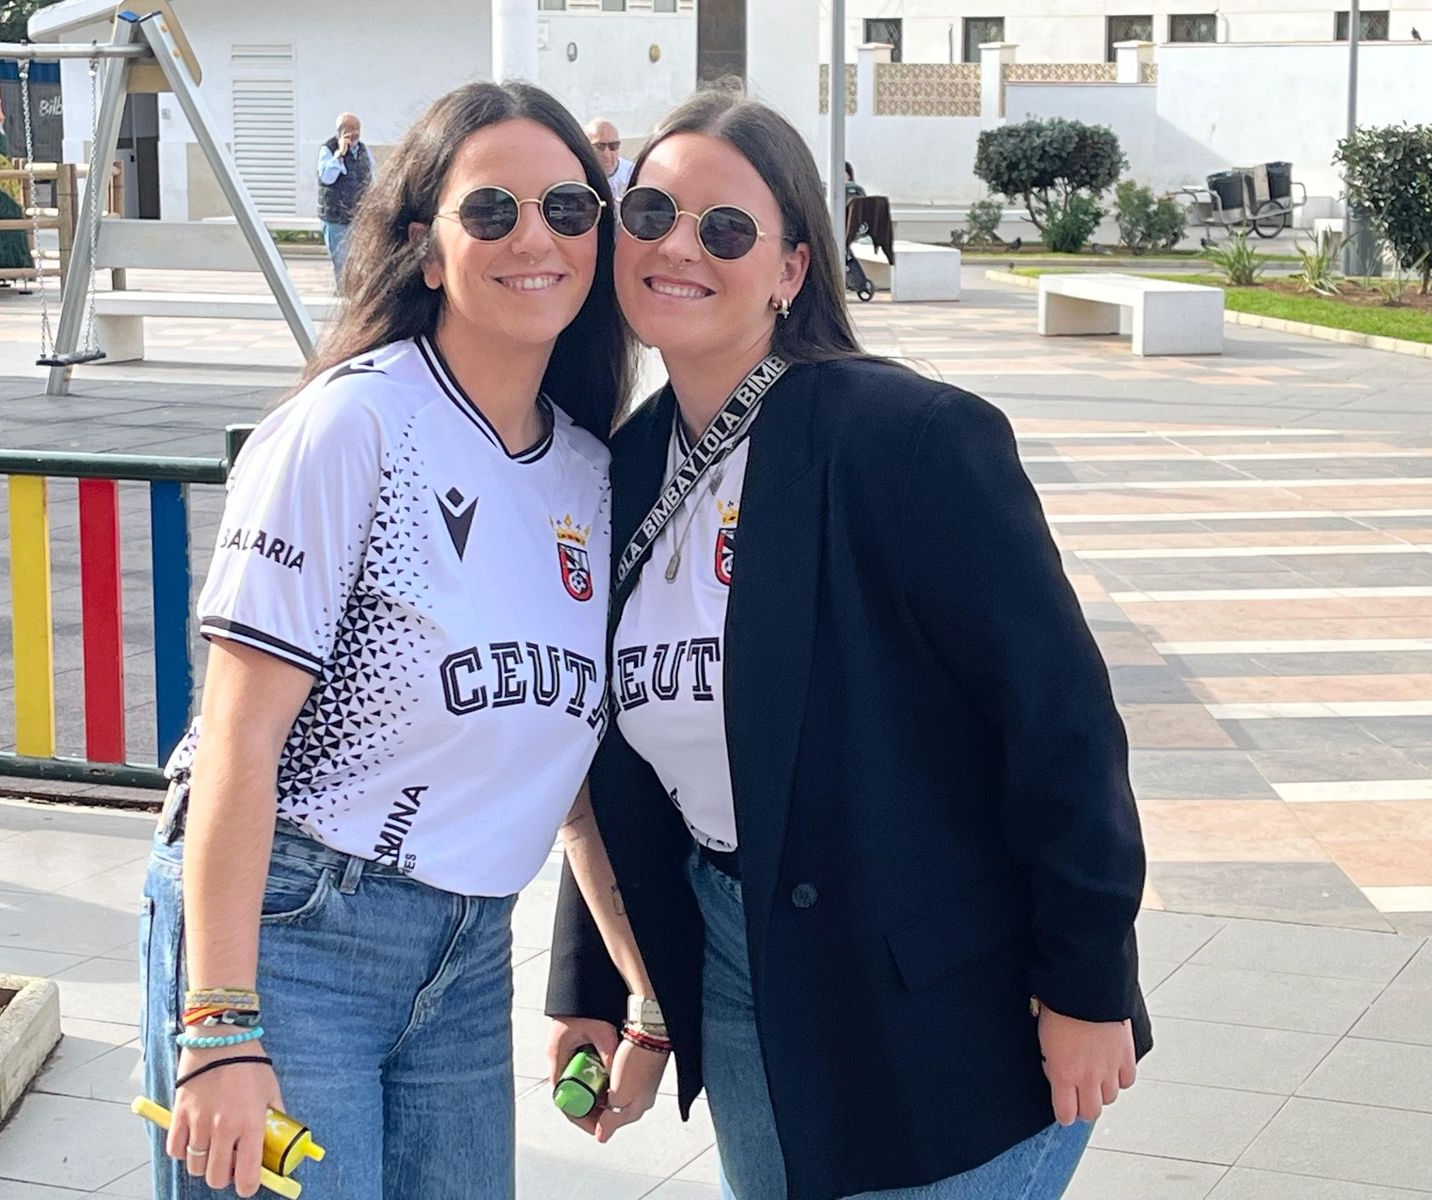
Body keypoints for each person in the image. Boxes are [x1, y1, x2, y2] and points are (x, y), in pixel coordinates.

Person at [545, 85, 1151, 1200]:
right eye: (651, 215)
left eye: (726, 229)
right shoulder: (615, 471)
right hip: (739, 975)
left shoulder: (906, 439)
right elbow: (608, 755)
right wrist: (599, 982)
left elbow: (1059, 724)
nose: (680, 247)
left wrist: (1088, 983)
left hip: (937, 995)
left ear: (790, 269)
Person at [140, 80, 631, 1200]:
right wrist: (219, 1024)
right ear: (423, 246)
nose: (535, 238)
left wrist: (636, 994)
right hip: (292, 930)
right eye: (490, 212)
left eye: (567, 208)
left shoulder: (592, 475)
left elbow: (572, 776)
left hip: (466, 956)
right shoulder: (347, 427)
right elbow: (236, 741)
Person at [317, 112, 374, 283]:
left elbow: (373, 177)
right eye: (350, 129)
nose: (355, 132)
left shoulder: (364, 150)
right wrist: (340, 154)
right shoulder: (328, 149)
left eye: (357, 128)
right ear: (341, 131)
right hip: (336, 219)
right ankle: (344, 301)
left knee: (361, 264)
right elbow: (327, 177)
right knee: (342, 266)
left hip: (359, 217)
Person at [584, 117, 635, 199]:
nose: (606, 154)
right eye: (600, 146)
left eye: (613, 146)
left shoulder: (633, 175)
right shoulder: (579, 174)